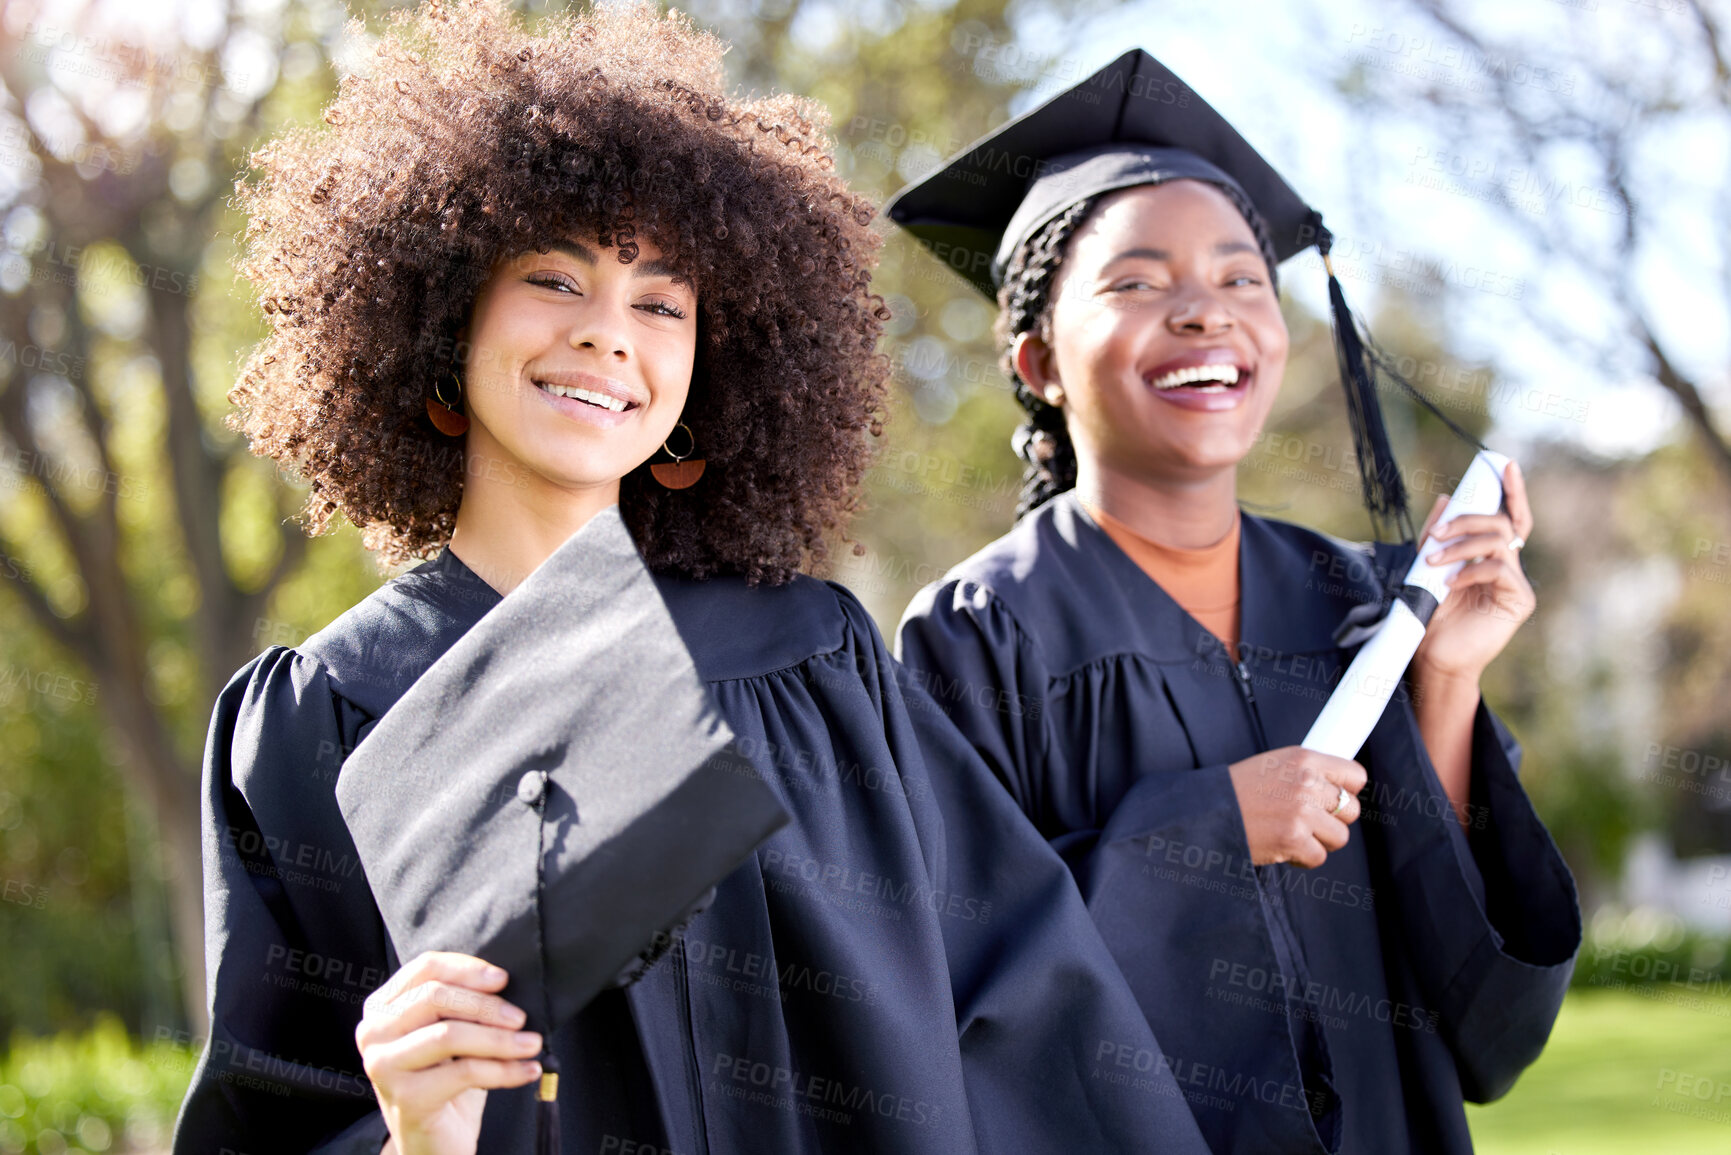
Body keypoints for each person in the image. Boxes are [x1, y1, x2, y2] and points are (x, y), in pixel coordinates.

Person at [173, 8, 1211, 1154]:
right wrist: (421, 1136)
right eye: (553, 279)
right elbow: (276, 1118)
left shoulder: (812, 663)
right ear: (439, 326)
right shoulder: (327, 714)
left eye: (663, 302)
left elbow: (1029, 1008)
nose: (611, 334)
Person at [889, 48, 1581, 1155]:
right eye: (1137, 282)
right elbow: (940, 976)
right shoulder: (979, 633)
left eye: (1241, 278)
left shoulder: (1364, 603)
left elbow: (1482, 1021)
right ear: (1040, 361)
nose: (1205, 313)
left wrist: (1444, 686)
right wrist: (1208, 834)